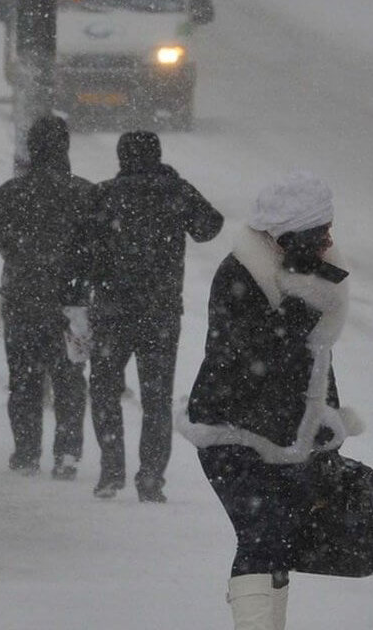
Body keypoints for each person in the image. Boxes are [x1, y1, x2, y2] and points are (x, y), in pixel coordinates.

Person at [177, 172, 373, 630]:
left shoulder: (303, 276)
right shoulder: (241, 276)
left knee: (276, 543)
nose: (329, 241)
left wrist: (326, 430)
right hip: (232, 433)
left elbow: (315, 364)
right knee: (259, 539)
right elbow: (250, 357)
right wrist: (305, 299)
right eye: (321, 233)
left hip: (286, 437)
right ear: (288, 236)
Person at [81, 131, 223, 502]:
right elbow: (210, 226)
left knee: (104, 390)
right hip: (159, 314)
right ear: (157, 156)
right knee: (156, 399)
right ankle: (150, 479)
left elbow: (80, 249)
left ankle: (112, 471)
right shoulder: (174, 192)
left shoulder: (105, 195)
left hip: (111, 312)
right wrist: (172, 184)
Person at [0, 116, 94, 479]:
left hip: (22, 301)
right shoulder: (87, 194)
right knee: (70, 380)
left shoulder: (8, 194)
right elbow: (103, 245)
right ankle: (67, 454)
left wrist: (19, 247)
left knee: (24, 381)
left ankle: (26, 452)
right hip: (71, 304)